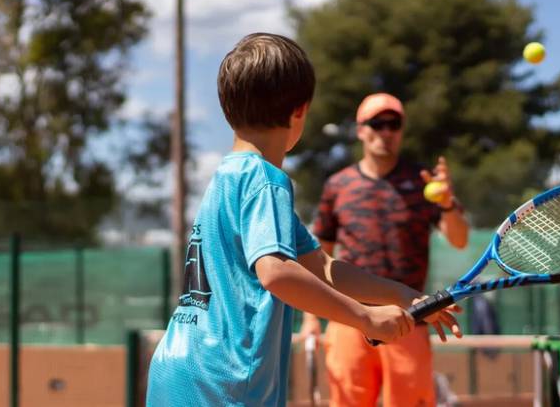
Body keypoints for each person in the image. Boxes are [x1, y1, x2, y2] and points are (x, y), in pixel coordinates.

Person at [145, 34, 462, 407]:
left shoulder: (228, 176)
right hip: (226, 382)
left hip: (178, 368)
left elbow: (322, 266)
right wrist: (365, 318)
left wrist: (400, 293)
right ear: (300, 111)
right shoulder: (267, 181)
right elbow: (277, 273)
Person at [301, 92, 470, 407]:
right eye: (377, 124)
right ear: (361, 130)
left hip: (410, 319)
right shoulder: (338, 185)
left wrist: (447, 205)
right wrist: (311, 318)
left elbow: (459, 239)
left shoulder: (423, 183)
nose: (386, 132)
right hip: (348, 319)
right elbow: (316, 256)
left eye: (394, 124)